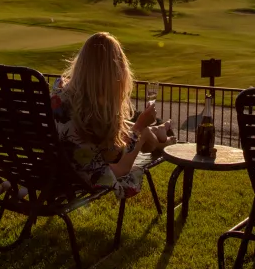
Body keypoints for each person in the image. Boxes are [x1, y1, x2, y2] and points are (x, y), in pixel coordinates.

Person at [50, 32, 174, 199]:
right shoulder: (95, 109)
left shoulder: (61, 93)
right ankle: (161, 140)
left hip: (60, 169)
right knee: (142, 132)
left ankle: (159, 134)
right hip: (87, 175)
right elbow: (114, 157)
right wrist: (140, 125)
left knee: (129, 127)